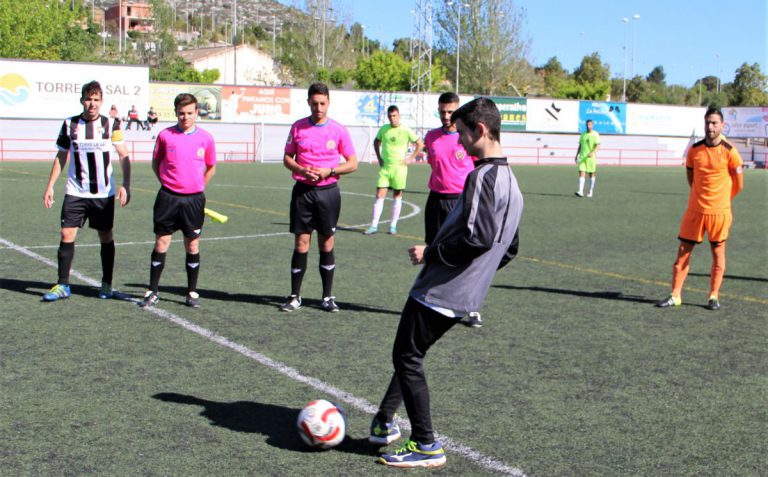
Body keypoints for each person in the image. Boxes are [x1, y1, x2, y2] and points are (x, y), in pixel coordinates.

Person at [371, 98, 523, 469]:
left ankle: (425, 443)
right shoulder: (513, 183)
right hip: (464, 291)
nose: (460, 141)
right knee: (411, 353)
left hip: (443, 287)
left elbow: (477, 239)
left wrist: (431, 254)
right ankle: (383, 421)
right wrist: (479, 277)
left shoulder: (482, 177)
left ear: (481, 130)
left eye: (464, 133)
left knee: (406, 355)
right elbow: (510, 248)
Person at [42, 81, 131, 302]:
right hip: (76, 191)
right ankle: (63, 285)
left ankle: (107, 284)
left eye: (96, 99)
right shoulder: (69, 123)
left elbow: (123, 154)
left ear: (101, 101)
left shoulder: (112, 124)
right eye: (88, 99)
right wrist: (50, 185)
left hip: (103, 194)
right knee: (66, 234)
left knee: (105, 236)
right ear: (82, 100)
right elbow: (62, 155)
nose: (92, 104)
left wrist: (126, 184)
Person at [280, 82, 358, 313]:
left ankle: (327, 297)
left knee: (326, 242)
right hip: (303, 192)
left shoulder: (339, 130)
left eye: (322, 103)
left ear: (328, 103)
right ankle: (295, 296)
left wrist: (331, 171)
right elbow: (287, 158)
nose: (319, 108)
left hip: (328, 193)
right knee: (301, 243)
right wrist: (302, 170)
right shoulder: (298, 127)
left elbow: (352, 163)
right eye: (314, 103)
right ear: (308, 103)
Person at [656, 107, 743, 311]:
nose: (710, 127)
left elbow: (739, 184)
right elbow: (690, 178)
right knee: (683, 252)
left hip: (719, 213)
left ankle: (713, 296)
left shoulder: (730, 152)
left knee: (718, 253)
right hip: (695, 211)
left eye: (714, 123)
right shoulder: (695, 150)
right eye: (707, 123)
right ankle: (675, 295)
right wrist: (699, 197)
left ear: (722, 125)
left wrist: (723, 200)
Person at [139, 93, 217, 309]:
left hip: (193, 200)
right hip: (168, 198)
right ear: (176, 113)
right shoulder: (165, 136)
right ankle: (153, 290)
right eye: (181, 113)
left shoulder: (206, 138)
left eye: (190, 113)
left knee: (192, 244)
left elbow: (211, 167)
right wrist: (168, 183)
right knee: (161, 242)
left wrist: (198, 185)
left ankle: (192, 292)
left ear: (197, 113)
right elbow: (156, 163)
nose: (186, 117)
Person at [423, 92, 484, 327]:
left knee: (467, 254)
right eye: (442, 112)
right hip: (436, 201)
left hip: (461, 201)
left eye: (450, 112)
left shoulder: (466, 138)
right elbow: (434, 164)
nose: (446, 116)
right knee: (432, 251)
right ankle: (431, 300)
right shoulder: (431, 137)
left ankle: (472, 307)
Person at [364, 105, 423, 236]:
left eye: (394, 116)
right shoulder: (384, 129)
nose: (392, 118)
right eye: (390, 116)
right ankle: (374, 225)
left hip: (400, 168)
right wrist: (379, 158)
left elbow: (420, 144)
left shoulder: (406, 130)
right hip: (386, 168)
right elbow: (376, 142)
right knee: (379, 195)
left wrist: (411, 158)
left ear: (399, 115)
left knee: (397, 195)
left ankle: (393, 225)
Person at [574, 118, 600, 197]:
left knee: (591, 174)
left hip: (591, 158)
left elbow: (597, 145)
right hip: (582, 157)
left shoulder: (595, 134)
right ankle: (580, 191)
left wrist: (592, 153)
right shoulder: (583, 134)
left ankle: (590, 191)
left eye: (590, 124)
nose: (588, 126)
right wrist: (576, 155)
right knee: (581, 172)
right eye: (587, 124)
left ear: (592, 125)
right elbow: (580, 145)